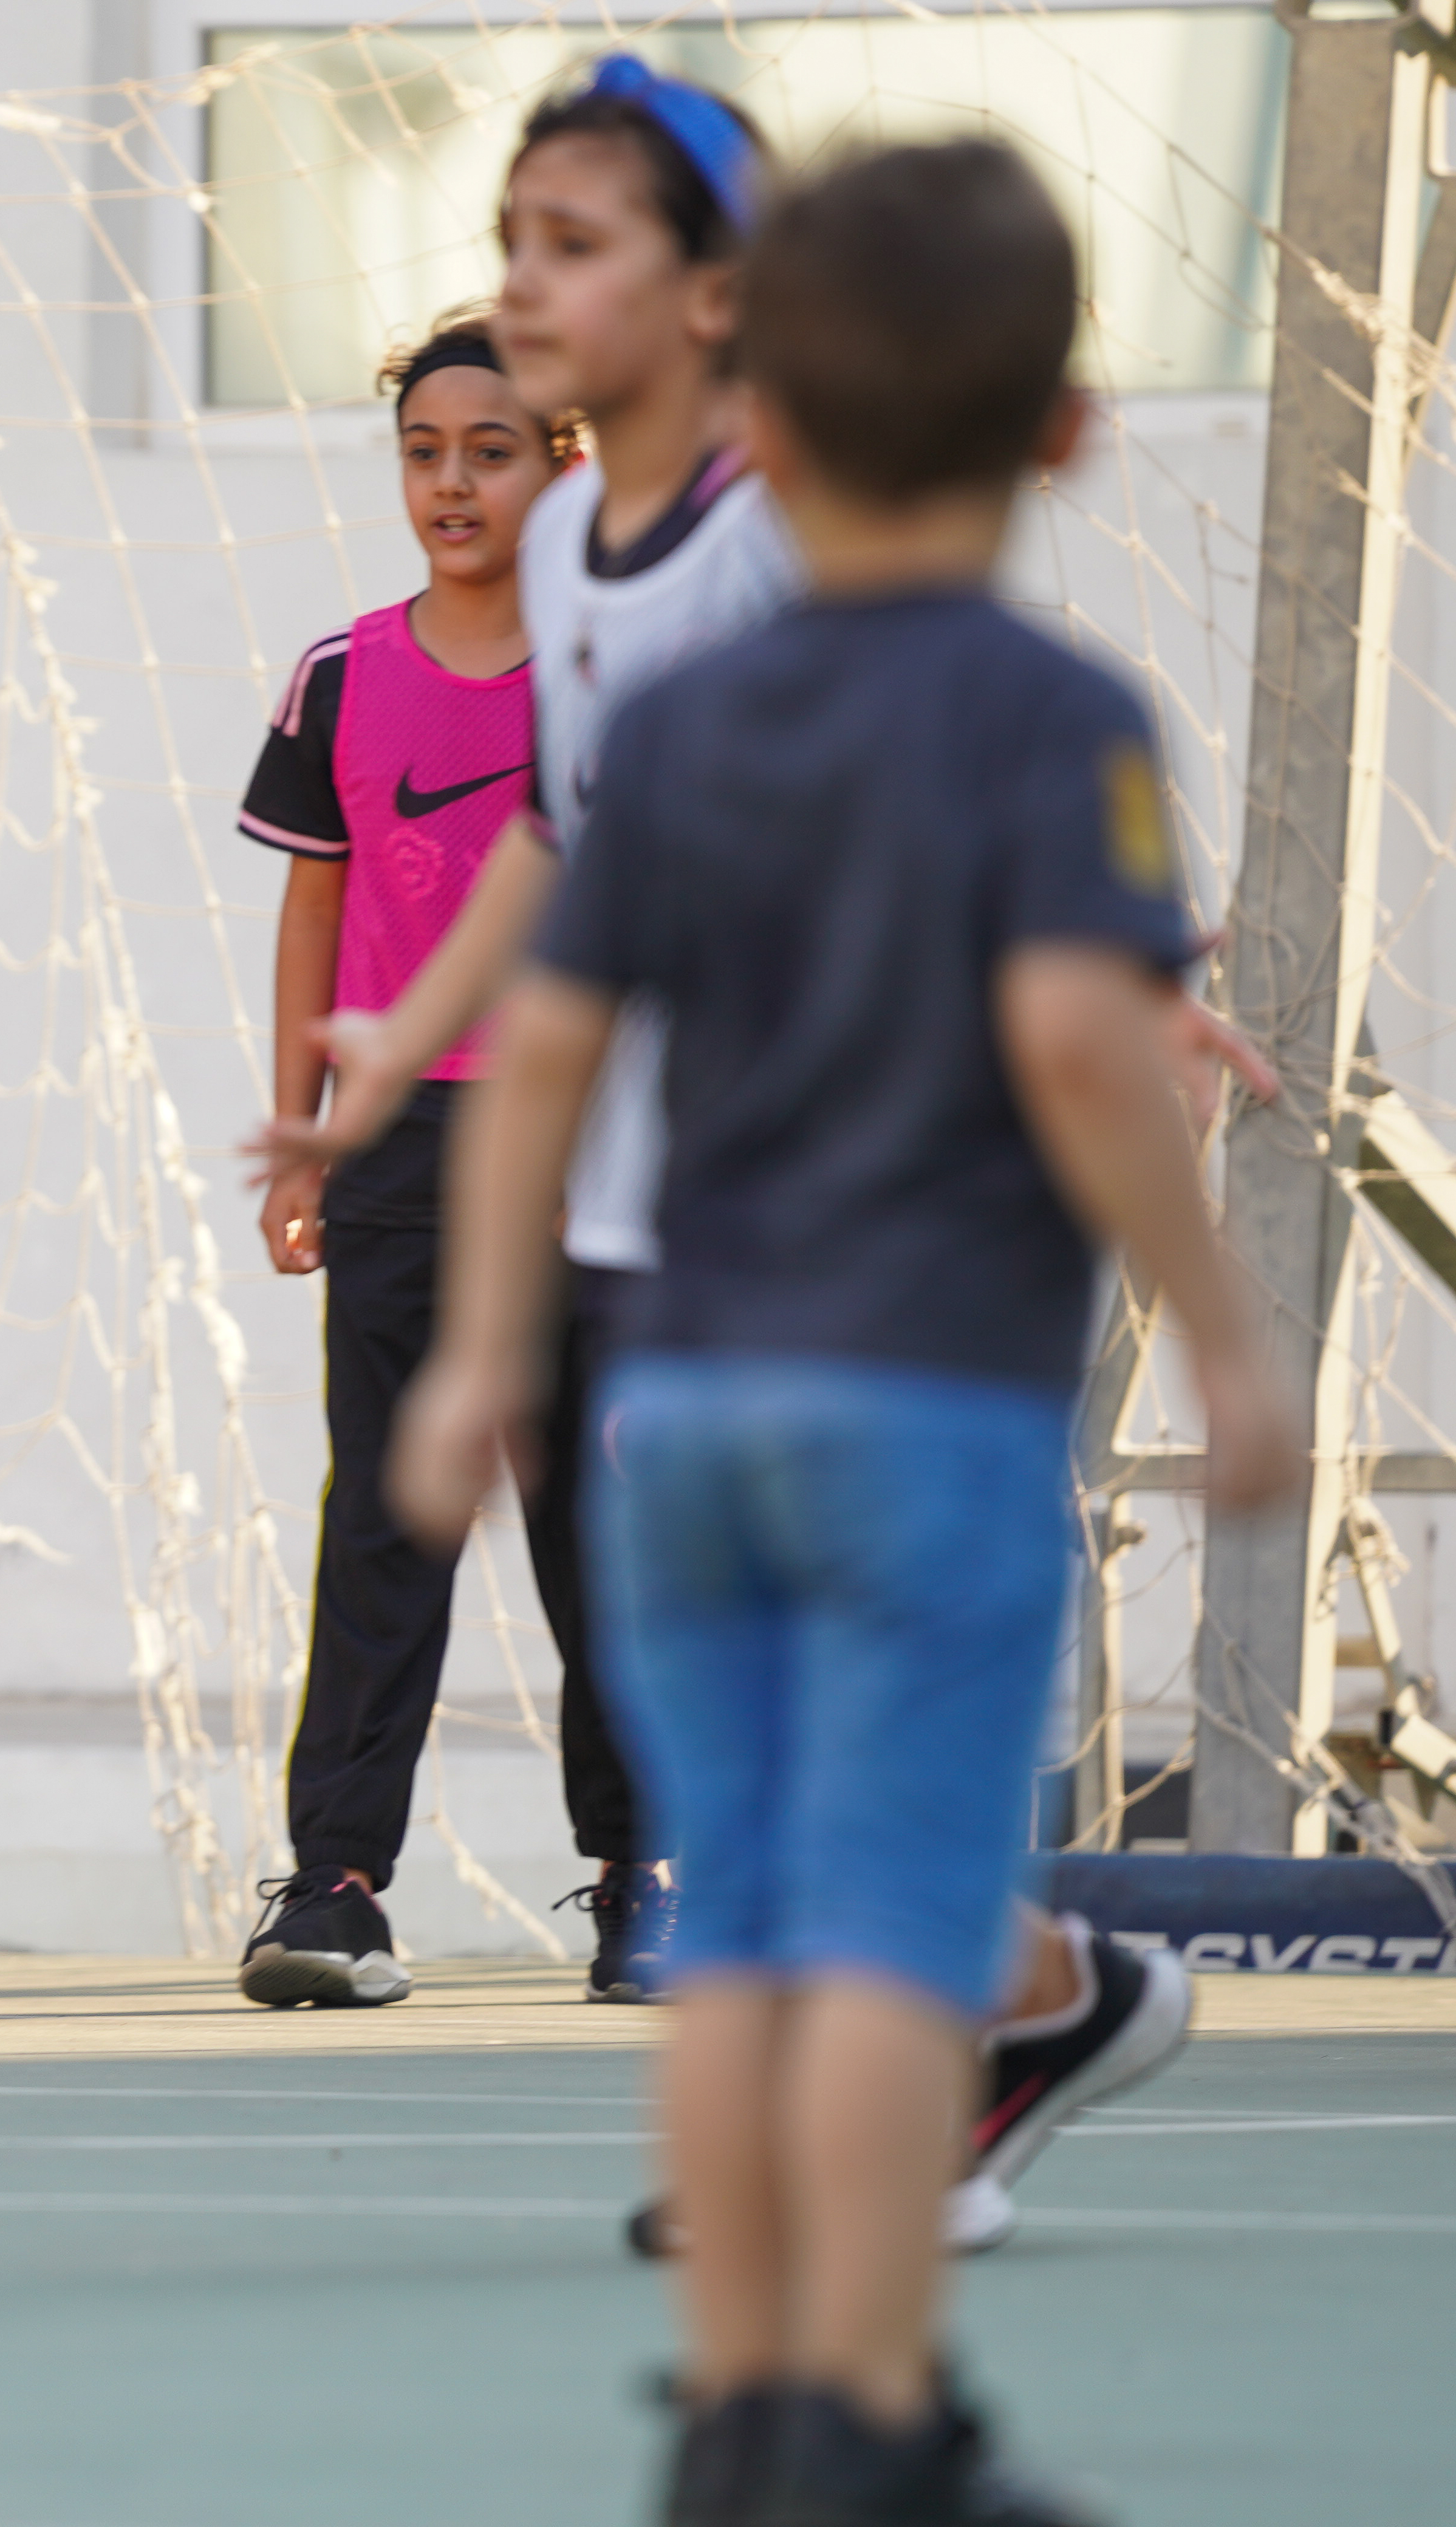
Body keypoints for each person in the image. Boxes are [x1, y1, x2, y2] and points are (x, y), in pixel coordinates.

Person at [389, 140, 1300, 2525]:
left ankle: (734, 2409)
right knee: (897, 1935)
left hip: (681, 1409)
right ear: (1068, 430)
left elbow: (549, 1050)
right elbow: (1081, 1040)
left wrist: (480, 1351)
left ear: (762, 421)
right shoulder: (1060, 714)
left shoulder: (681, 724)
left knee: (749, 1930)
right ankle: (866, 2419)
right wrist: (1228, 1333)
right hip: (928, 1408)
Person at [256, 52, 1206, 2253]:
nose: (522, 282)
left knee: (796, 1714)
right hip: (649, 1202)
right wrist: (387, 1054)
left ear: (714, 296)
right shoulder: (582, 560)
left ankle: (879, 2150)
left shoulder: (790, 528)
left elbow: (959, 729)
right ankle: (985, 2034)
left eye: (571, 244)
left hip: (851, 1225)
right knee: (745, 1717)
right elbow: (566, 836)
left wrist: (1120, 967)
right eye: (512, 241)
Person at [239, 311, 655, 2007]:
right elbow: (314, 917)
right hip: (402, 1147)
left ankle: (648, 1874)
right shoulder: (340, 678)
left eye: (491, 451)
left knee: (598, 1520)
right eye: (425, 453)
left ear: (565, 463)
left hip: (586, 1133)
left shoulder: (615, 672)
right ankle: (335, 1883)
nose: (453, 483)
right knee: (385, 1519)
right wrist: (308, 1138)